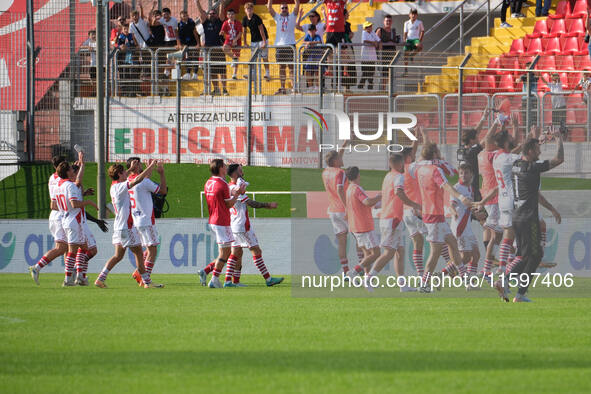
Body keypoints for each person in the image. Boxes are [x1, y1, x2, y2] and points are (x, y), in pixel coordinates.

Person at [494, 133, 564, 302]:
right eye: (538, 148)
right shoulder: (532, 167)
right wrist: (559, 139)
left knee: (532, 255)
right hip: (528, 216)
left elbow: (535, 193)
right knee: (528, 256)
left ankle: (520, 293)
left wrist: (552, 208)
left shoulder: (516, 165)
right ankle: (504, 280)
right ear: (531, 151)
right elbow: (559, 159)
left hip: (517, 216)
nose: (540, 151)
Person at [413, 143, 473, 293]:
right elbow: (446, 183)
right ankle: (424, 283)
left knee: (452, 243)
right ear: (434, 154)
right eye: (438, 151)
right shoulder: (435, 170)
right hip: (434, 215)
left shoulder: (421, 169)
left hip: (432, 213)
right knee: (435, 252)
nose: (440, 153)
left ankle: (465, 279)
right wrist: (460, 196)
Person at [95, 159, 163, 289]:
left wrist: (130, 169)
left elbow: (124, 177)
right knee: (138, 253)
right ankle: (147, 282)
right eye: (124, 173)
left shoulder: (114, 186)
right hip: (126, 227)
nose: (127, 174)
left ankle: (100, 278)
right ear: (120, 174)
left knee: (118, 256)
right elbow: (137, 180)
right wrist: (150, 166)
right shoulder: (121, 186)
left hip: (118, 227)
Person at [223, 164, 284, 287]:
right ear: (235, 174)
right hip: (242, 226)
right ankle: (268, 279)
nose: (243, 172)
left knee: (236, 253)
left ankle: (230, 281)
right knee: (256, 250)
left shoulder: (229, 187)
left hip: (234, 225)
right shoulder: (236, 188)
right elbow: (252, 203)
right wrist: (268, 205)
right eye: (240, 170)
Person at [370, 153, 421, 292]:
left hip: (389, 217)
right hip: (393, 218)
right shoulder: (398, 177)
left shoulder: (387, 177)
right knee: (389, 253)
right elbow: (399, 193)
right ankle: (369, 278)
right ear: (400, 164)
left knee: (400, 251)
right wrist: (414, 204)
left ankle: (402, 285)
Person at [199, 159, 244, 288]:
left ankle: (207, 272)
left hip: (213, 219)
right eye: (224, 166)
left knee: (226, 252)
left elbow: (219, 198)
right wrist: (237, 195)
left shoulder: (209, 182)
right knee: (226, 253)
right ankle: (214, 279)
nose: (226, 168)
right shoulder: (222, 184)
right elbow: (229, 204)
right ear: (220, 168)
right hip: (221, 221)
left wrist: (232, 193)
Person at [54, 161, 98, 287]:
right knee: (73, 251)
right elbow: (74, 204)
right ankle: (68, 279)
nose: (73, 171)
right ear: (67, 172)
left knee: (85, 249)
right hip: (75, 221)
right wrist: (89, 202)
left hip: (67, 220)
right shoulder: (70, 186)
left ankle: (80, 277)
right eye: (71, 170)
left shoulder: (58, 186)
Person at [126, 157, 167, 287]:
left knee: (148, 249)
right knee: (153, 250)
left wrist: (149, 168)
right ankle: (145, 280)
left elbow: (144, 181)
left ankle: (139, 273)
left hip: (136, 220)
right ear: (136, 166)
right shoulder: (143, 181)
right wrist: (161, 173)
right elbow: (162, 191)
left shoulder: (128, 181)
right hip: (146, 220)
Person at [29, 156, 68, 285]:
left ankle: (69, 276)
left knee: (68, 247)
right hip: (59, 214)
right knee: (61, 248)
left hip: (56, 214)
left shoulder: (52, 178)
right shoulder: (60, 180)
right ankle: (37, 267)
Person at [344, 166, 382, 289]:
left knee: (367, 254)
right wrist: (379, 196)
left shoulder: (349, 189)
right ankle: (354, 272)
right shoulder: (357, 189)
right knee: (376, 253)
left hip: (355, 226)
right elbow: (367, 202)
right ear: (358, 175)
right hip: (364, 226)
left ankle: (367, 280)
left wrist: (377, 203)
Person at [321, 142, 351, 275]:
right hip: (343, 210)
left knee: (342, 242)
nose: (342, 158)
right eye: (339, 157)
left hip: (332, 211)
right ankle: (363, 269)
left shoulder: (326, 172)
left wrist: (344, 143)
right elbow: (340, 189)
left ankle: (345, 272)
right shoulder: (340, 172)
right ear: (335, 161)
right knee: (360, 238)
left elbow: (336, 157)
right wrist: (347, 208)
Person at [449, 163, 480, 284]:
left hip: (468, 227)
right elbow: (451, 205)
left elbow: (469, 207)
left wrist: (477, 214)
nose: (463, 175)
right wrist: (453, 212)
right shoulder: (457, 188)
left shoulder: (470, 188)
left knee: (476, 255)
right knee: (466, 256)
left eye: (466, 173)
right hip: (460, 227)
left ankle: (471, 281)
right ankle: (442, 274)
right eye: (461, 173)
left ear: (471, 174)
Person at [195, 0, 228, 96]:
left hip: (218, 49)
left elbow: (222, 13)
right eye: (210, 14)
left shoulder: (219, 22)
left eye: (213, 13)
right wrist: (197, 2)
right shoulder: (205, 23)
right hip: (209, 50)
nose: (212, 15)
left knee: (222, 71)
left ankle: (225, 89)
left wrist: (221, 3)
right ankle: (216, 89)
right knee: (212, 71)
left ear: (216, 15)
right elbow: (201, 13)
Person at [458, 106, 491, 201]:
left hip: (462, 186)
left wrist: (484, 117)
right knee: (479, 214)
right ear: (471, 140)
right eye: (476, 137)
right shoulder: (471, 153)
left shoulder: (461, 149)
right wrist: (497, 122)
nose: (478, 138)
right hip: (471, 188)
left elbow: (475, 132)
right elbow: (487, 139)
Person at [267, 0, 300, 95]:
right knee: (281, 67)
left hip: (290, 45)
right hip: (280, 45)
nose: (284, 9)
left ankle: (294, 87)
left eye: (286, 8)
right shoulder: (277, 17)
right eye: (283, 8)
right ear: (280, 9)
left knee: (291, 67)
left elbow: (297, 5)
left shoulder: (292, 17)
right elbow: (269, 8)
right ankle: (282, 87)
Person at [242, 2, 271, 81]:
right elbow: (244, 31)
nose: (249, 10)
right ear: (245, 10)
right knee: (253, 57)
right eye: (247, 9)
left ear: (253, 10)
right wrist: (244, 42)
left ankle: (267, 73)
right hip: (254, 40)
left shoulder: (257, 18)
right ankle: (252, 74)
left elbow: (261, 30)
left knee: (264, 56)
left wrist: (264, 42)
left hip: (262, 38)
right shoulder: (244, 19)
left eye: (250, 8)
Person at [375, 15, 398, 90]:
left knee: (390, 73)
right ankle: (383, 90)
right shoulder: (380, 30)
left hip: (392, 55)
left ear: (392, 22)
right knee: (383, 74)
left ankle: (390, 91)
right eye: (386, 21)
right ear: (383, 22)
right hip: (383, 56)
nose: (388, 22)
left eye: (389, 21)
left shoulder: (393, 31)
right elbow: (376, 41)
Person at [221, 8, 243, 80]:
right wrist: (222, 34)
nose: (231, 16)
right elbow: (223, 32)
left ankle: (234, 74)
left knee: (236, 54)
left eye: (232, 14)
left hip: (237, 41)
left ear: (235, 15)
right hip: (229, 40)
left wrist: (235, 40)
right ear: (227, 15)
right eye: (229, 14)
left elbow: (240, 33)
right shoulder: (225, 23)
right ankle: (234, 58)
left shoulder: (238, 23)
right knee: (224, 48)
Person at [178, 10, 200, 80]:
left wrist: (198, 43)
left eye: (186, 15)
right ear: (181, 17)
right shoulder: (179, 24)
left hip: (193, 42)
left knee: (195, 58)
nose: (185, 17)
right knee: (188, 58)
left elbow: (195, 33)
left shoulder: (191, 22)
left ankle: (195, 74)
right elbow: (179, 35)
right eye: (183, 15)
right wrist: (180, 44)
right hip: (186, 44)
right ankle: (188, 73)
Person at [358, 21, 380, 91]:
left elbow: (378, 39)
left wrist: (377, 43)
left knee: (371, 72)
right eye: (368, 26)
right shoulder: (364, 33)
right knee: (365, 72)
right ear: (365, 28)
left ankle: (369, 87)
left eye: (370, 26)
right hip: (365, 57)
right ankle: (361, 86)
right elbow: (365, 40)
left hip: (372, 57)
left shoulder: (373, 32)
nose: (370, 27)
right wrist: (374, 42)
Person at [403, 9, 424, 75]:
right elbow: (405, 32)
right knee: (405, 55)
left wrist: (420, 40)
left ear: (417, 15)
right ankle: (406, 70)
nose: (413, 15)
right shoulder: (406, 23)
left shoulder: (419, 22)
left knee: (420, 47)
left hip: (415, 39)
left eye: (415, 14)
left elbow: (422, 31)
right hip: (408, 39)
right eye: (412, 14)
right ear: (409, 15)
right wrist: (404, 40)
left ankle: (412, 55)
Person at [302, 24, 323, 91]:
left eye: (312, 30)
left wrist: (309, 43)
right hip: (310, 56)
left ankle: (317, 87)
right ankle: (310, 87)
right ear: (308, 31)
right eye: (310, 30)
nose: (311, 31)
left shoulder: (317, 36)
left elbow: (319, 41)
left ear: (315, 30)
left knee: (317, 71)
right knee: (308, 71)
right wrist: (310, 43)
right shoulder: (308, 36)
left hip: (317, 56)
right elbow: (304, 41)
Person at [342, 9, 356, 92]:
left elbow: (350, 33)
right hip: (341, 47)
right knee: (341, 67)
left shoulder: (347, 24)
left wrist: (351, 34)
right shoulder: (339, 24)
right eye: (347, 14)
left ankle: (347, 87)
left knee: (350, 66)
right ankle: (339, 87)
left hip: (348, 45)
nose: (349, 15)